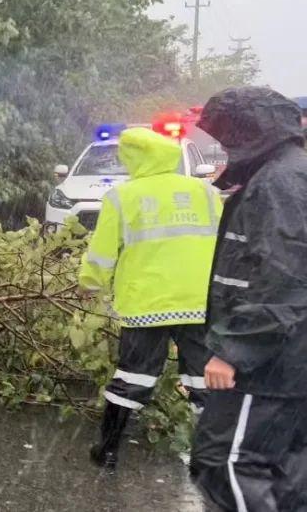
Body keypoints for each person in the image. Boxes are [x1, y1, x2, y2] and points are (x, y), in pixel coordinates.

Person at [189, 87, 307, 511]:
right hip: (289, 362)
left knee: (226, 463)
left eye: (217, 139)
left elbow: (285, 277)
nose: (214, 152)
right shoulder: (286, 174)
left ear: (247, 133)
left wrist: (234, 351)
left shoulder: (279, 182)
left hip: (269, 366)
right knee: (287, 475)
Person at [78, 127, 222, 469]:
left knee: (133, 376)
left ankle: (108, 450)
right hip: (198, 302)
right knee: (203, 380)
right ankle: (212, 456)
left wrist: (90, 283)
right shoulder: (204, 192)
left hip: (147, 303)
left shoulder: (122, 197)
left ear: (133, 158)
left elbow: (102, 253)